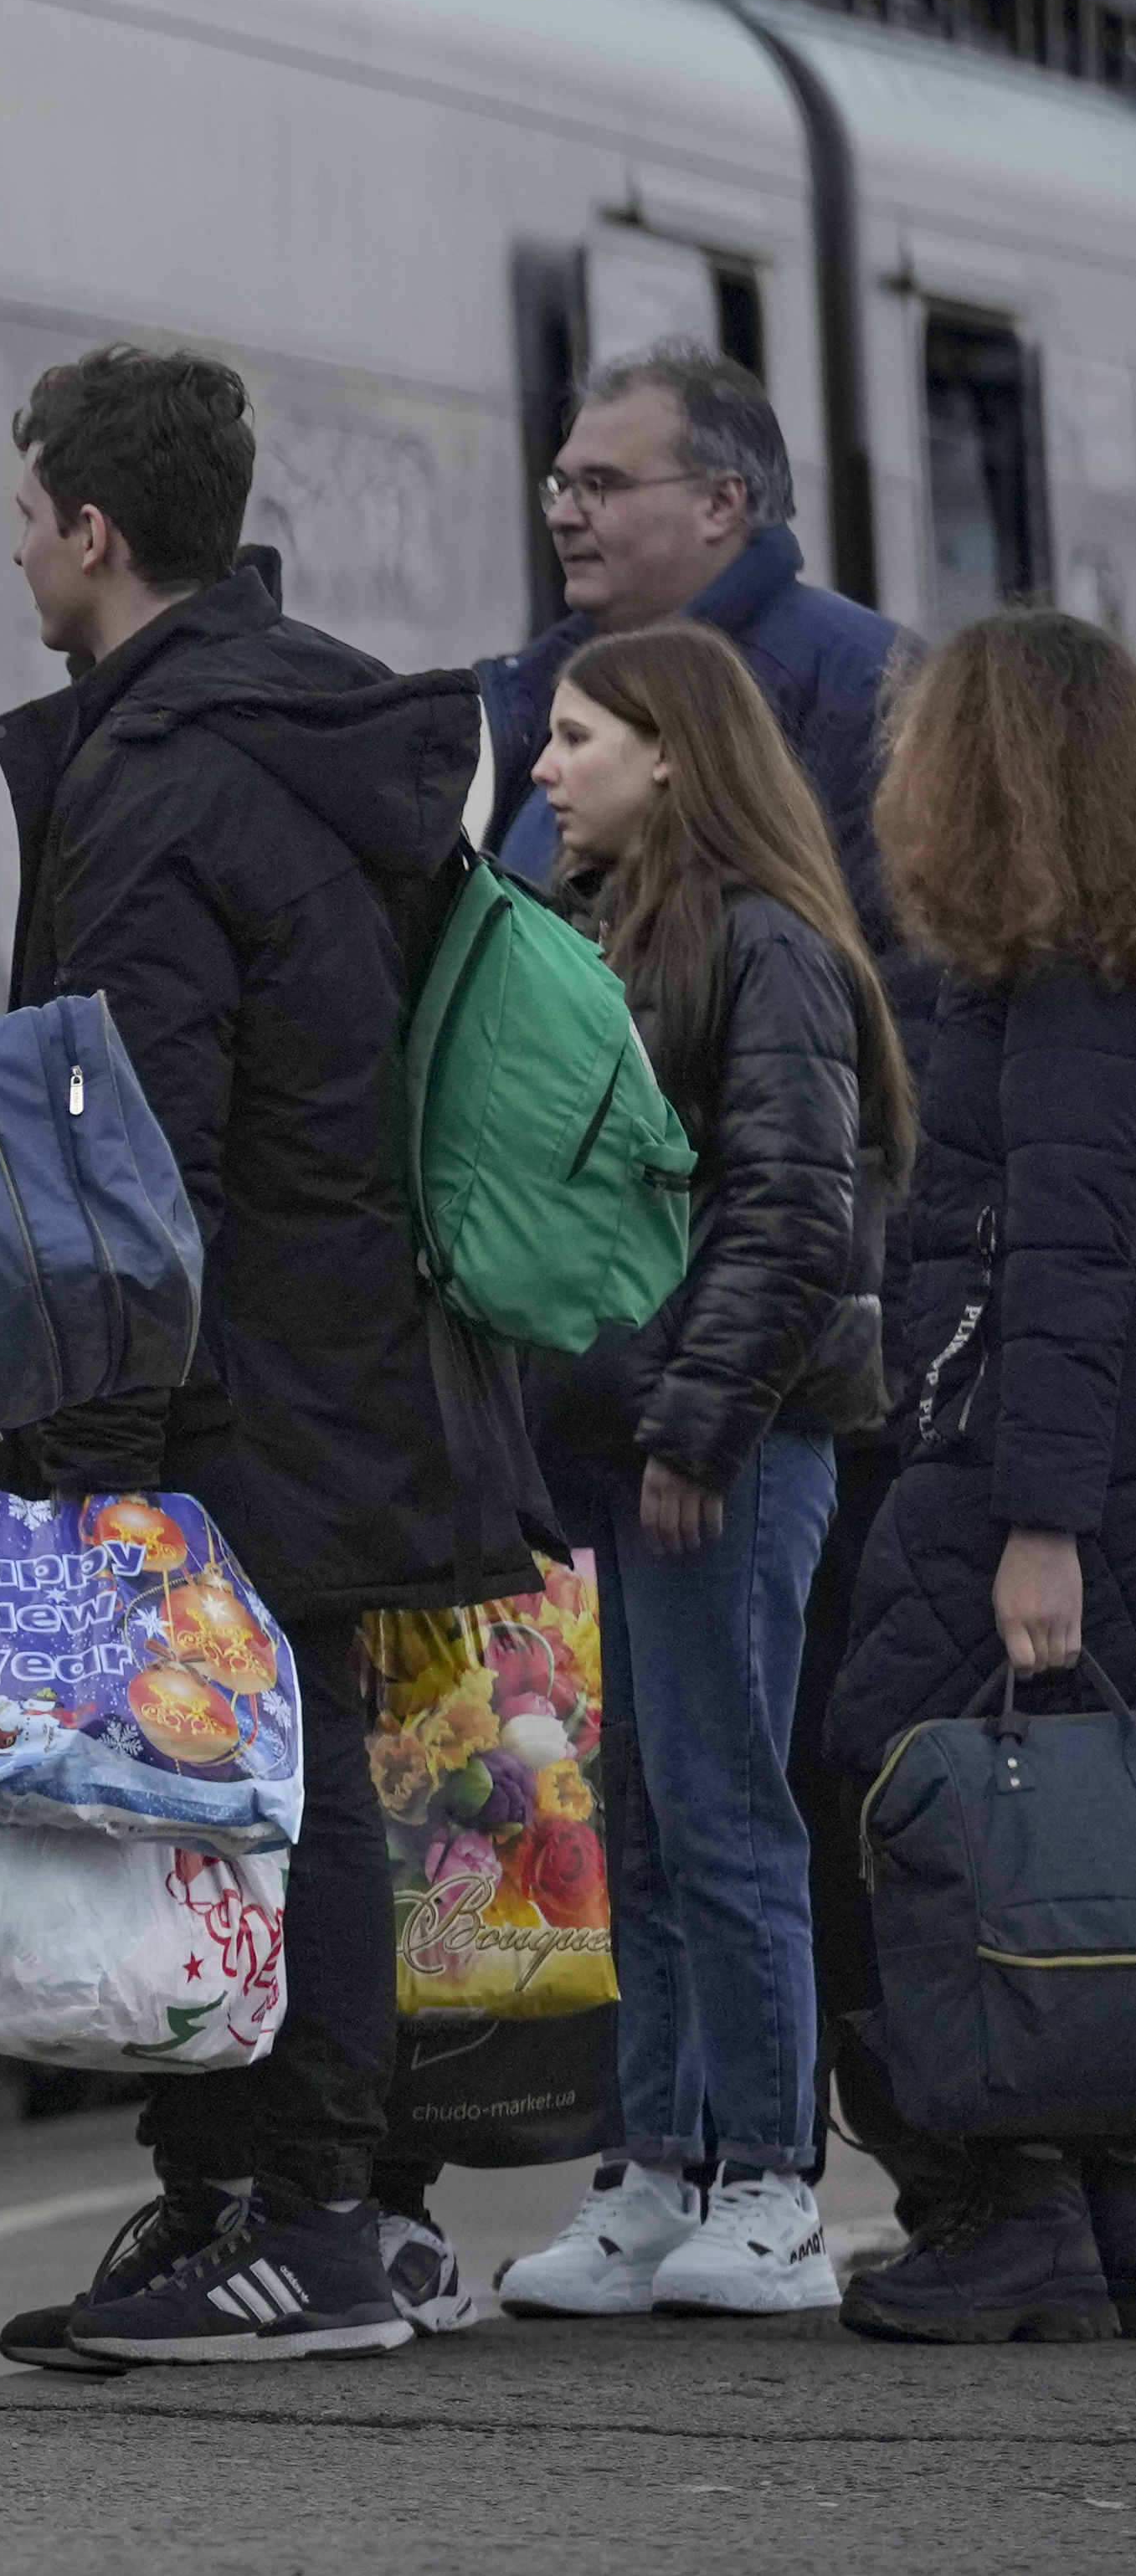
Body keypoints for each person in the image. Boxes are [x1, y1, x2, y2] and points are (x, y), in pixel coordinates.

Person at [0, 346, 540, 2359]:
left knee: (271, 1800)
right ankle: (258, 2194)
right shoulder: (293, 726)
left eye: (28, 514)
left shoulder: (163, 777)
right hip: (340, 1348)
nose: (15, 547)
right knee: (268, 1783)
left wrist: (89, 1449)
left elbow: (136, 1147)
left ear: (96, 535)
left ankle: (305, 2219)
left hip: (234, 1377)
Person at [482, 629, 910, 2323]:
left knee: (725, 1809)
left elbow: (797, 1214)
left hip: (722, 1444)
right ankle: (656, 2167)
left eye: (575, 735)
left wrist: (693, 1428)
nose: (541, 765)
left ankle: (770, 2186)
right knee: (641, 1821)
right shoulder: (610, 933)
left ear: (674, 754)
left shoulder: (768, 947)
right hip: (629, 1438)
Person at [830, 612, 1136, 2343]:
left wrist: (1040, 1522)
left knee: (897, 1798)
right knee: (1081, 1822)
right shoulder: (1078, 963)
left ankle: (1000, 2199)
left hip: (1021, 1467)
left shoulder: (1062, 989)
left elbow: (1070, 1261)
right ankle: (1097, 2209)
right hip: (1055, 1455)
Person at [481, 341, 907, 946]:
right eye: (560, 486)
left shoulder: (863, 684)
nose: (562, 517)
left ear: (719, 503)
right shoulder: (528, 690)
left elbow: (904, 980)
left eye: (600, 485)